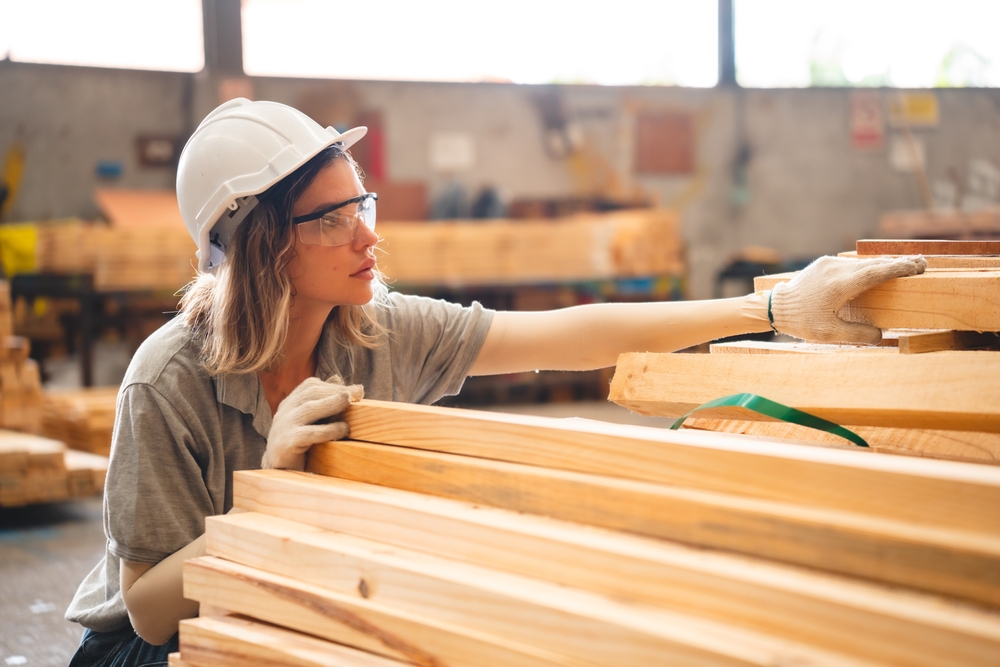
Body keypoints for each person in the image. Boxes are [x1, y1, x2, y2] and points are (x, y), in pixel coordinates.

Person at [63, 98, 925, 666]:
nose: (368, 236)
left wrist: (772, 306)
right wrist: (269, 487)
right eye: (333, 219)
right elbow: (148, 610)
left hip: (286, 591)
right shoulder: (167, 381)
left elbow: (572, 333)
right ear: (260, 244)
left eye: (363, 206)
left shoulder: (376, 330)